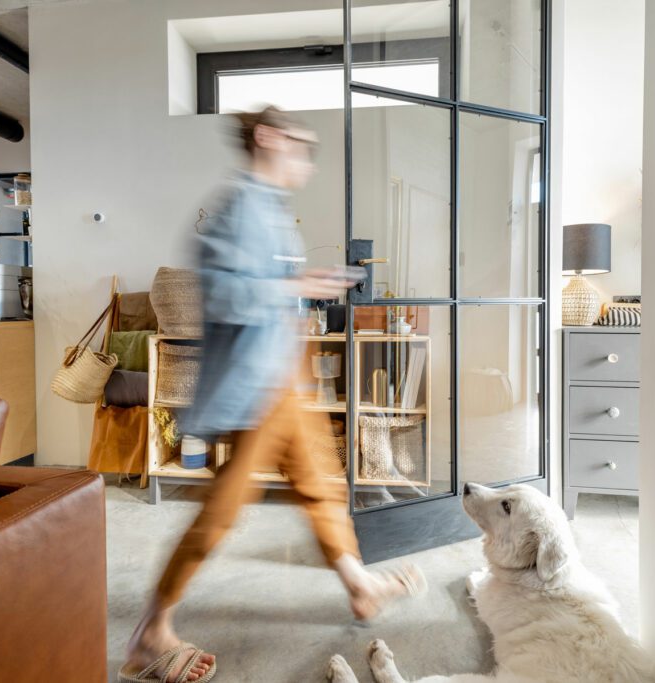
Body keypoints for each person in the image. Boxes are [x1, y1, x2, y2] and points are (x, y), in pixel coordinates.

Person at [118, 106, 425, 683]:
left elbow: (271, 293)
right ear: (267, 138)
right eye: (301, 147)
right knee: (225, 509)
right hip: (254, 386)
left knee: (318, 485)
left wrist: (305, 294)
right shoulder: (236, 209)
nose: (307, 161)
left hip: (279, 380)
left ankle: (360, 587)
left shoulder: (273, 212)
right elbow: (223, 298)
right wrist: (300, 284)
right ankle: (149, 631)